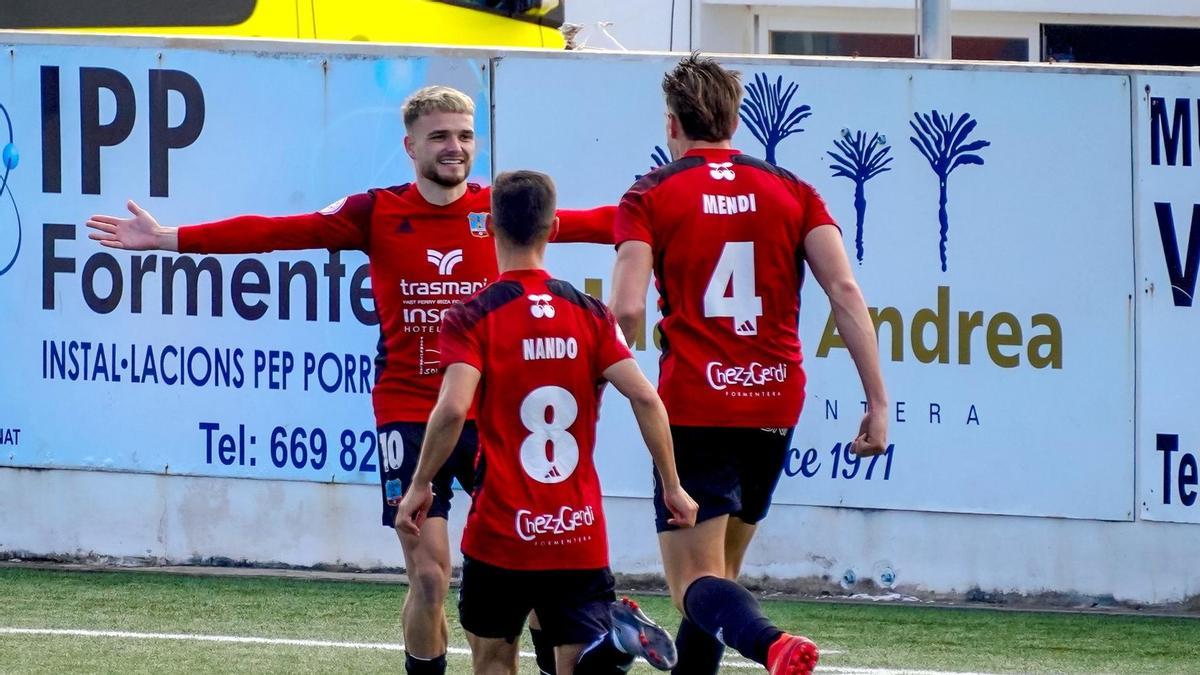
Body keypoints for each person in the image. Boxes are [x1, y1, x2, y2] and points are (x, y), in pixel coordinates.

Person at [85, 85, 613, 675]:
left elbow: (603, 223)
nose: (454, 147)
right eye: (439, 136)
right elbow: (276, 232)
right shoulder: (378, 211)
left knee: (536, 568)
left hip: (491, 418)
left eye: (464, 135)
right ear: (410, 145)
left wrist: (672, 217)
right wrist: (169, 240)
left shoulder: (497, 213)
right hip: (410, 413)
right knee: (431, 575)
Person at [609, 54, 889, 675]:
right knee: (722, 577)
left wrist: (599, 375)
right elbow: (844, 293)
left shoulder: (651, 192)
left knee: (694, 585)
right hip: (774, 401)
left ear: (672, 126)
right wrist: (877, 401)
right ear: (735, 121)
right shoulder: (794, 189)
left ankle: (772, 644)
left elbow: (626, 309)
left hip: (696, 403)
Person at [396, 170, 698, 675]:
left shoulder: (472, 315)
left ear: (489, 226)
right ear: (554, 228)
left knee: (495, 657)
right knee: (576, 664)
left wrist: (421, 483)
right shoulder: (590, 313)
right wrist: (673, 485)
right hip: (577, 531)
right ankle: (615, 648)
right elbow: (646, 397)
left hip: (503, 533)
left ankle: (616, 647)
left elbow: (451, 409)